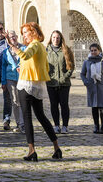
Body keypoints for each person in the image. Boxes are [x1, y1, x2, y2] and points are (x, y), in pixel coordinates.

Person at [5, 22, 62, 161]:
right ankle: (56, 148)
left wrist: (11, 45)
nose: (24, 35)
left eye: (26, 32)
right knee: (41, 116)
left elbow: (25, 56)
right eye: (23, 32)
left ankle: (32, 150)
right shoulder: (41, 46)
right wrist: (23, 69)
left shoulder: (35, 45)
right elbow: (43, 66)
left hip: (27, 85)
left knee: (27, 117)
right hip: (36, 84)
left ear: (33, 32)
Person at [46, 30, 75, 134]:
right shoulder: (46, 50)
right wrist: (47, 77)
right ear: (51, 38)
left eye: (57, 37)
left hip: (64, 83)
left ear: (61, 38)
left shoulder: (66, 50)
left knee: (64, 104)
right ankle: (56, 125)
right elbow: (43, 66)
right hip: (51, 83)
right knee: (53, 105)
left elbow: (71, 66)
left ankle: (65, 126)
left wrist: (65, 77)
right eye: (54, 37)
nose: (55, 40)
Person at [80, 43, 103, 134]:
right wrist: (86, 82)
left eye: (95, 50)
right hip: (92, 89)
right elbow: (82, 74)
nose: (93, 52)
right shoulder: (87, 62)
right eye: (92, 50)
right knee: (94, 108)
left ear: (99, 51)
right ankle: (96, 125)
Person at [1, 30, 24, 133]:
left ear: (17, 36)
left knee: (23, 101)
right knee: (15, 101)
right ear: (8, 40)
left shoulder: (24, 48)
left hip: (22, 78)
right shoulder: (6, 52)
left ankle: (24, 124)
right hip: (10, 79)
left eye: (14, 36)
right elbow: (3, 66)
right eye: (10, 37)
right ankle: (19, 123)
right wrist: (3, 81)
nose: (13, 38)